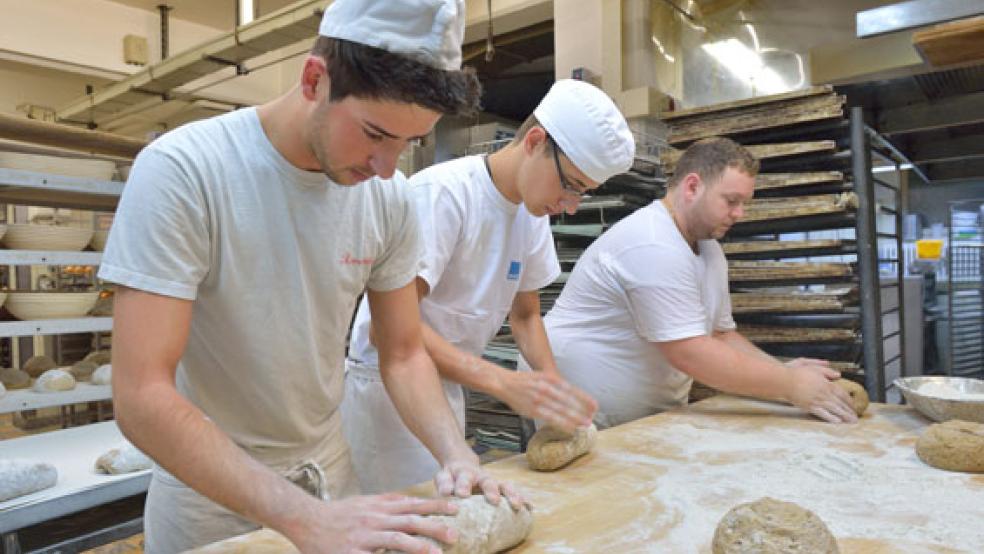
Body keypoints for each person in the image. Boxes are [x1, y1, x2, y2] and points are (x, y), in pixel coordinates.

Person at [98, 1, 522, 551]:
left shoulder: (388, 198)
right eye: (375, 134)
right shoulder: (186, 171)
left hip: (330, 484)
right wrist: (301, 517)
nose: (386, 168)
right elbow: (141, 394)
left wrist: (456, 452)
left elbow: (402, 353)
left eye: (408, 143)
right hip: (211, 504)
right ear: (314, 79)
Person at [342, 79, 635, 493]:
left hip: (450, 385)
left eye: (582, 194)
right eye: (570, 185)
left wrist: (553, 388)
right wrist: (501, 382)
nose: (570, 206)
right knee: (409, 515)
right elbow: (388, 330)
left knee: (452, 502)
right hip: (386, 394)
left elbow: (526, 316)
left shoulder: (531, 214)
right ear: (535, 141)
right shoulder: (443, 195)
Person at [520, 137, 858, 429]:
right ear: (692, 187)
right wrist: (790, 386)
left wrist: (783, 371)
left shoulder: (709, 249)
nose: (740, 214)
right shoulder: (652, 242)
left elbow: (720, 335)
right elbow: (690, 353)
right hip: (579, 401)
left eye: (744, 203)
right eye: (731, 201)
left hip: (640, 415)